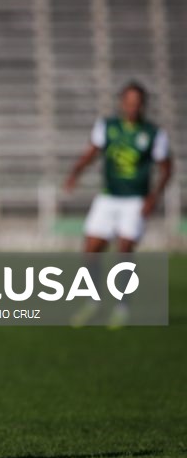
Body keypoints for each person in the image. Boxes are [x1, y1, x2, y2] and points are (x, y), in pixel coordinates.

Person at [64, 81, 173, 326]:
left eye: (137, 103)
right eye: (128, 102)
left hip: (135, 200)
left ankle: (122, 306)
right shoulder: (107, 127)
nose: (132, 107)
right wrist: (75, 173)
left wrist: (154, 196)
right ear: (122, 103)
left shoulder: (153, 134)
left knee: (124, 250)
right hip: (108, 196)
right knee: (91, 249)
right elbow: (91, 153)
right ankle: (93, 302)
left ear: (143, 105)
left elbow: (166, 168)